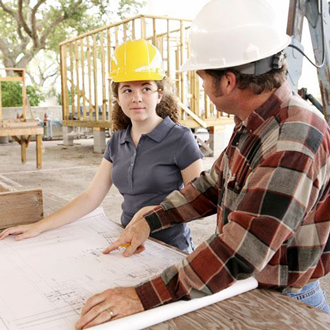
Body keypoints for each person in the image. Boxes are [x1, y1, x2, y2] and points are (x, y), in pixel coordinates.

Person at [74, 0, 330, 329]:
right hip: (248, 285)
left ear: (228, 82)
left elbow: (241, 248)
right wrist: (151, 220)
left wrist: (142, 296)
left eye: (202, 75)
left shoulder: (293, 138)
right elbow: (211, 187)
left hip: (286, 297)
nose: (201, 84)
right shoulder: (255, 122)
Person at [0, 39, 203, 254]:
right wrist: (38, 226)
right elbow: (91, 197)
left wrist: (153, 212)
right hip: (128, 243)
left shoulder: (180, 138)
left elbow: (200, 200)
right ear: (117, 97)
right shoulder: (117, 141)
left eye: (146, 88)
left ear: (159, 94)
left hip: (170, 249)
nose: (137, 98)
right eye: (127, 90)